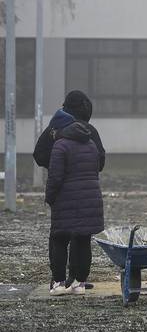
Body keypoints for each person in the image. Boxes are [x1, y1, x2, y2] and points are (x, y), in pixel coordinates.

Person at [33, 90, 105, 290]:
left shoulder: (54, 132)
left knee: (59, 236)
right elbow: (101, 161)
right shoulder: (89, 132)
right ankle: (78, 280)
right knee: (82, 237)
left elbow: (39, 155)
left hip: (64, 192)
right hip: (87, 192)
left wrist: (59, 167)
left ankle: (58, 281)